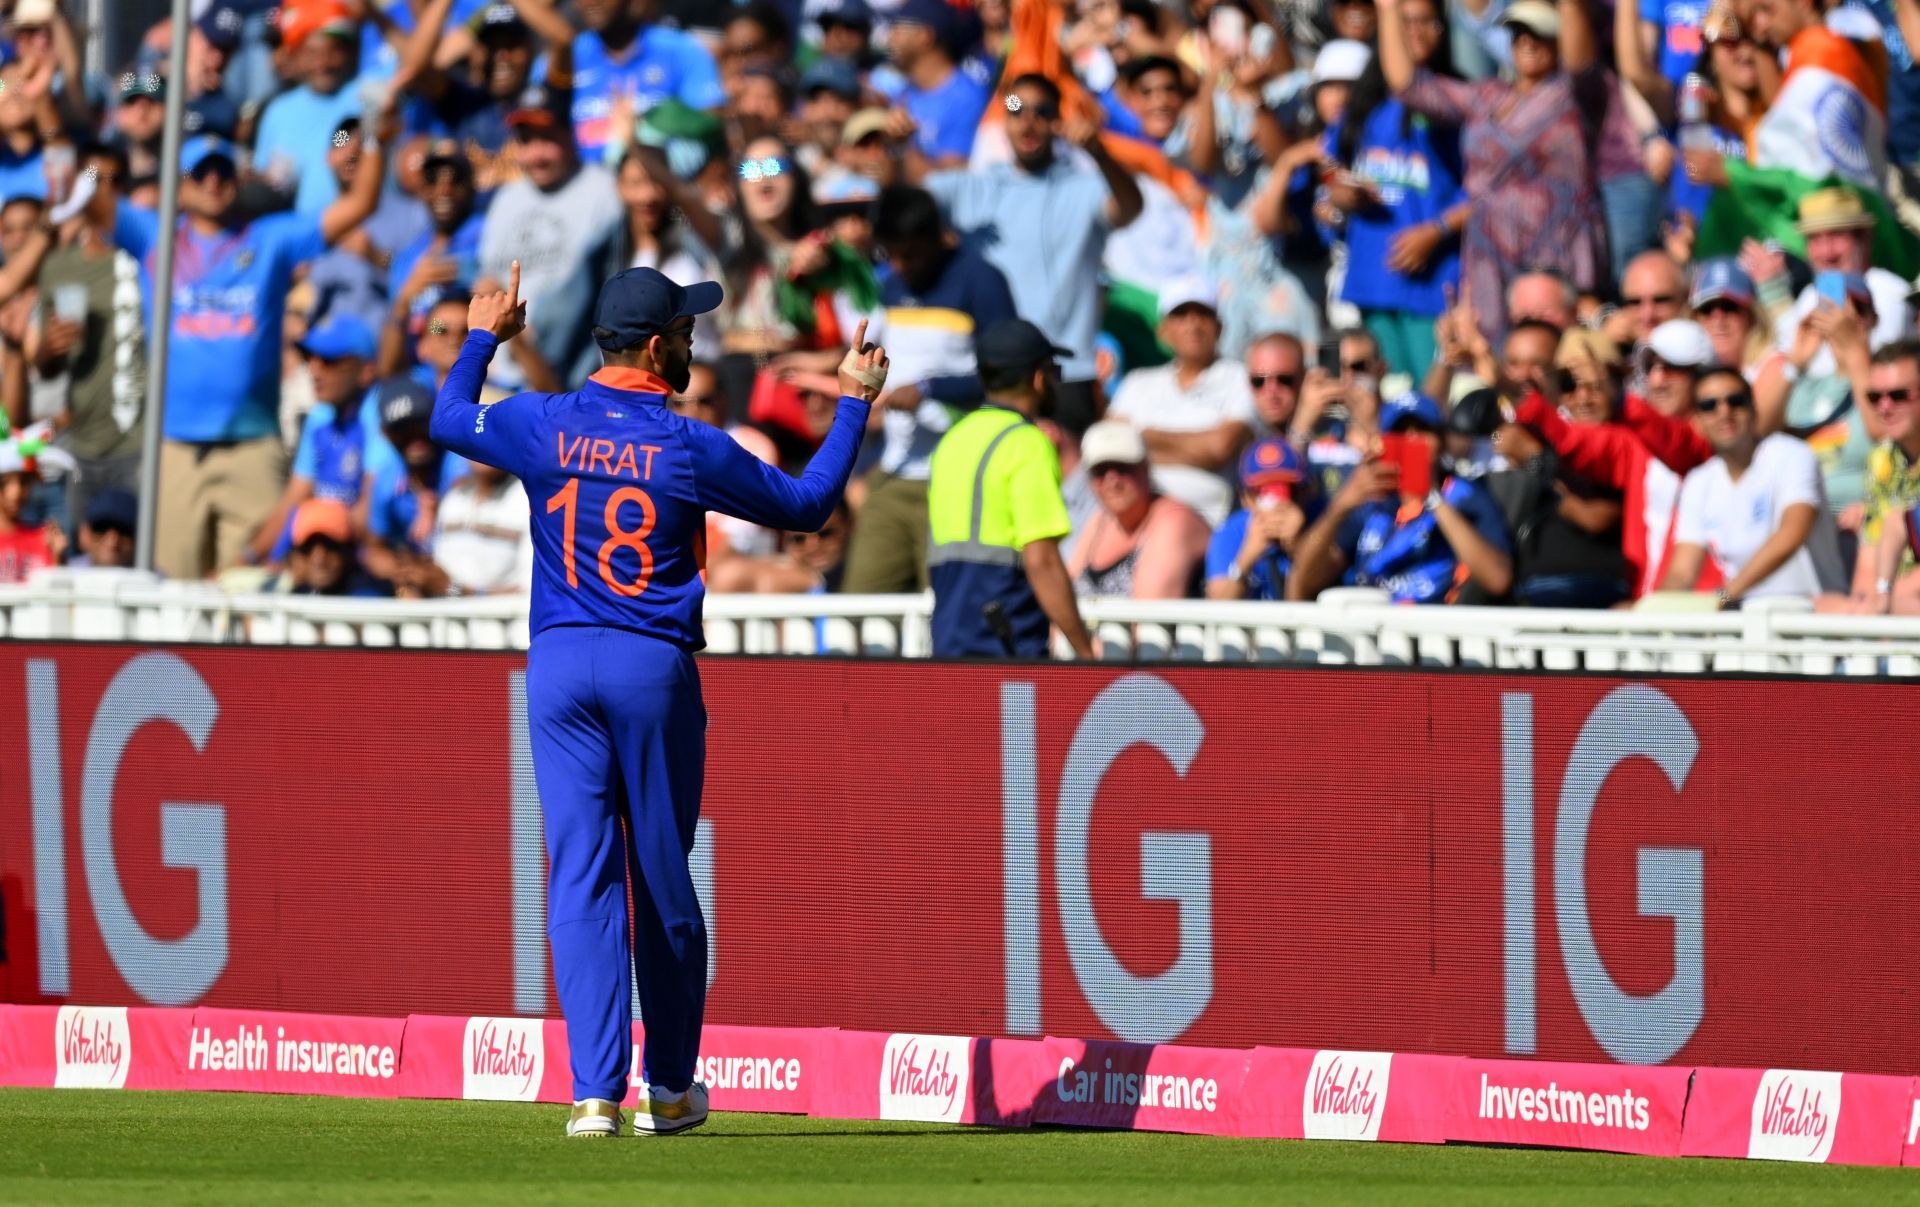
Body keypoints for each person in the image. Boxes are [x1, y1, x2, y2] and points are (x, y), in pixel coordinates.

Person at [429, 264, 877, 1137]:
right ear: (655, 344)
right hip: (649, 665)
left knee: (581, 876)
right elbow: (811, 505)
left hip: (558, 666)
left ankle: (594, 1091)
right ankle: (668, 1089)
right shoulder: (687, 443)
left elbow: (449, 418)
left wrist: (485, 335)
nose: (693, 341)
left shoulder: (540, 422)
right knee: (661, 878)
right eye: (684, 329)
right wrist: (856, 400)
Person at [113, 128, 388, 580]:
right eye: (200, 174)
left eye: (223, 173)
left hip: (252, 446)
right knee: (172, 597)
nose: (213, 182)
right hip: (174, 446)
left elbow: (360, 206)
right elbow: (81, 192)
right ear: (179, 184)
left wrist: (376, 137)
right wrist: (90, 164)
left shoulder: (270, 239)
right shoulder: (152, 236)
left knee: (248, 594)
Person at [925, 72, 1144, 436]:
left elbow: (1131, 207)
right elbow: (913, 201)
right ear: (1004, 121)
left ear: (1058, 122)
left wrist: (1100, 153)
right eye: (1016, 110)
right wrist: (899, 150)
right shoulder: (979, 186)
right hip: (997, 373)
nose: (1028, 121)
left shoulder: (1084, 186)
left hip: (1066, 374)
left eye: (1042, 112)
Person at [1377, 0, 1608, 344]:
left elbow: (1581, 63)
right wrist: (1388, 9)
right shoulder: (1487, 96)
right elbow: (1410, 87)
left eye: (1539, 33)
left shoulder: (1573, 97)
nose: (1527, 42)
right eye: (1518, 34)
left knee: (1554, 350)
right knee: (1495, 354)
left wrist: (1570, 7)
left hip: (1556, 251)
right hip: (1490, 250)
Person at [841, 185, 1017, 594]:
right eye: (892, 254)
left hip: (959, 480)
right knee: (859, 604)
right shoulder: (888, 286)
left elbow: (1007, 376)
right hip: (894, 474)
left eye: (911, 254)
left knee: (943, 611)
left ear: (938, 235)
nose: (901, 266)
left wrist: (930, 389)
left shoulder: (983, 282)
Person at [927, 318, 1096, 659]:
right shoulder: (1027, 443)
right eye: (1054, 372)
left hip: (949, 640)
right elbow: (1043, 561)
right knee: (1018, 717)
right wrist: (1085, 652)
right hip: (1007, 644)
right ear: (1038, 378)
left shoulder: (952, 440)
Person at [1325, 0, 1466, 378]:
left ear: (1443, 30)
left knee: (1433, 404)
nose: (1416, 32)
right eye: (1405, 23)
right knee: (1386, 398)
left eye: (1427, 23)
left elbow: (1486, 193)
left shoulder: (1459, 98)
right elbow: (1330, 171)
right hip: (1372, 279)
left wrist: (1436, 231)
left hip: (1433, 284)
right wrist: (1340, 197)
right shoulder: (1363, 102)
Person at [1287, 392, 1513, 602]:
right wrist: (1340, 506)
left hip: (1433, 634)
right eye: (1400, 433)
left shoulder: (1464, 495)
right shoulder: (1370, 502)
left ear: (1441, 441)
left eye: (1422, 430)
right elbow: (1302, 584)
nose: (1411, 440)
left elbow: (1498, 579)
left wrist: (1432, 498)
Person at [1661, 365, 1847, 604]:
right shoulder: (1699, 482)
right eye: (1709, 405)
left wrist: (1724, 595)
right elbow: (1681, 572)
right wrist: (1656, 607)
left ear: (1753, 408)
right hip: (1745, 618)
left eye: (1735, 401)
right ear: (1696, 421)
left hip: (1813, 612)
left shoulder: (1793, 454)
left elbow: (1791, 534)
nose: (1724, 412)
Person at [478, 83, 623, 388]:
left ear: (569, 135)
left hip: (573, 375)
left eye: (547, 139)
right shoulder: (507, 198)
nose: (536, 155)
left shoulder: (604, 190)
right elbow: (485, 277)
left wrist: (533, 332)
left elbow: (592, 286)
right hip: (504, 376)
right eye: (525, 141)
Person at [1105, 278, 1257, 527]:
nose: (1193, 324)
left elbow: (1220, 448)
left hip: (1206, 522)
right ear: (1163, 331)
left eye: (1203, 314)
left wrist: (1143, 437)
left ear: (1219, 326)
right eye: (1181, 315)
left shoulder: (1241, 378)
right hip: (1136, 521)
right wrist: (1197, 447)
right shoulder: (1137, 382)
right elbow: (1110, 447)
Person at [250, 315, 379, 566]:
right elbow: (294, 499)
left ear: (366, 371)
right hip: (321, 550)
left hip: (360, 561)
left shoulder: (377, 414)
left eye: (329, 361)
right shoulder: (320, 416)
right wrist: (250, 557)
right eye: (310, 358)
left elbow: (368, 516)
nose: (314, 370)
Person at [1065, 420, 1211, 598]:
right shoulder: (1100, 521)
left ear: (1145, 467)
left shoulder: (1175, 520)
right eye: (1100, 471)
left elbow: (1150, 615)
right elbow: (1066, 595)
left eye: (1122, 468)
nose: (1112, 481)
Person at [570, 0, 725, 164]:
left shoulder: (679, 49)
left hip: (663, 178)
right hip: (579, 181)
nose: (591, 2)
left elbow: (712, 123)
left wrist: (650, 125)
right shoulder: (568, 57)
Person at [252, 3, 363, 215]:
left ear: (349, 53)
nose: (322, 63)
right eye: (311, 53)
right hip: (296, 233)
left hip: (357, 227)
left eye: (333, 51)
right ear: (295, 57)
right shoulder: (277, 112)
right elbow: (267, 176)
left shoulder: (365, 96)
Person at [1206, 435, 1312, 600]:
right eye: (1261, 492)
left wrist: (1298, 548)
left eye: (1288, 490)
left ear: (1304, 493)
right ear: (1244, 498)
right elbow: (1218, 608)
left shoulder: (1318, 524)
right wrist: (1245, 560)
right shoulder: (1231, 531)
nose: (1277, 503)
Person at [888, 0, 991, 170]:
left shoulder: (968, 98)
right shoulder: (904, 94)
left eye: (897, 29)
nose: (889, 37)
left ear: (924, 36)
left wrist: (903, 148)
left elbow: (952, 182)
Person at [68, 487, 137, 569]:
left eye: (124, 529)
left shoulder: (152, 579)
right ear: (84, 534)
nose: (113, 540)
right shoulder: (65, 572)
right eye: (102, 527)